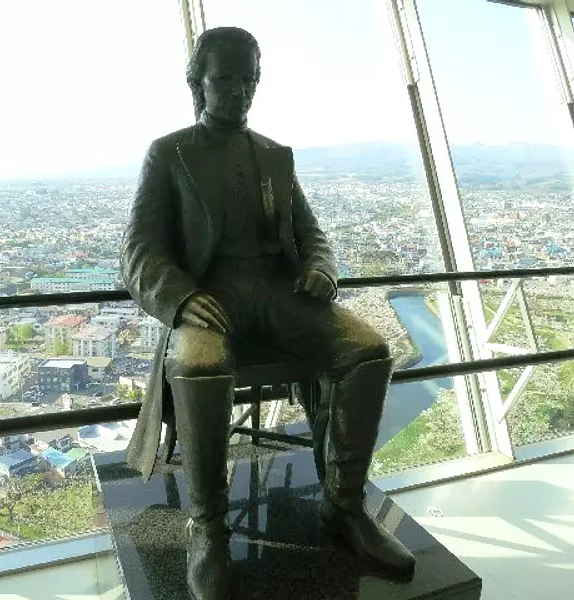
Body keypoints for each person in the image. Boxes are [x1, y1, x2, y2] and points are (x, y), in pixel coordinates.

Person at [120, 26, 415, 600]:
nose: (238, 90)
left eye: (248, 79)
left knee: (368, 351)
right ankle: (208, 528)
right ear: (198, 83)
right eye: (225, 78)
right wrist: (182, 298)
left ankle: (345, 506)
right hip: (211, 297)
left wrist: (322, 269)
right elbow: (139, 250)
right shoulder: (169, 153)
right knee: (198, 367)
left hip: (279, 294)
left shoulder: (277, 156)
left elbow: (311, 234)